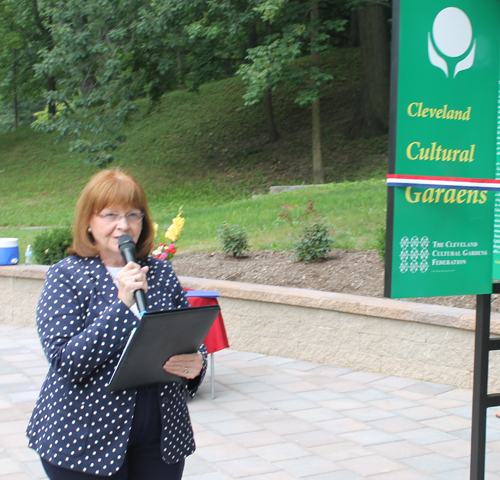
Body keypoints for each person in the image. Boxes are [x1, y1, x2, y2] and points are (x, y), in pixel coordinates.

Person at [27, 168, 206, 479]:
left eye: (133, 215)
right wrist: (122, 305)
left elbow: (183, 333)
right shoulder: (66, 276)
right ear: (88, 223)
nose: (123, 226)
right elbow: (67, 361)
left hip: (160, 436)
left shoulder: (161, 273)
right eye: (110, 214)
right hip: (84, 438)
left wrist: (196, 362)